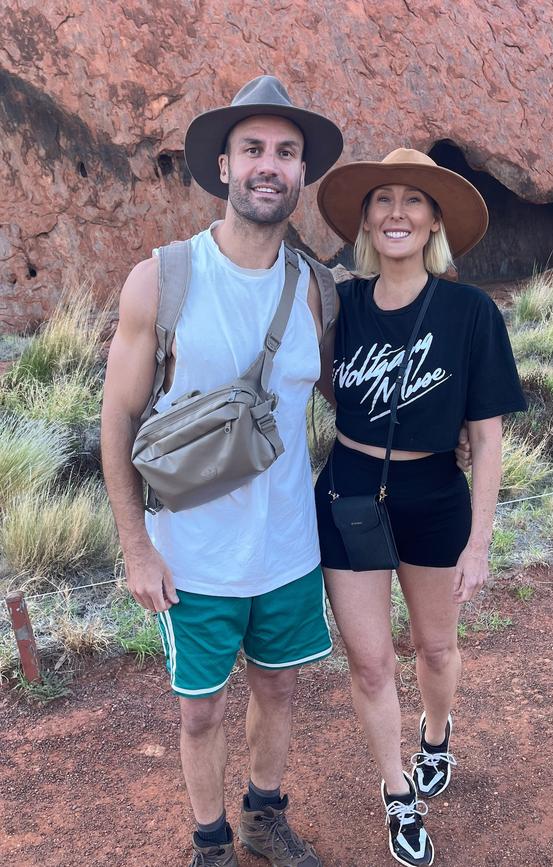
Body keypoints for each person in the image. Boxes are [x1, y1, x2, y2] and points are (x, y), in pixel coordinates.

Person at [101, 75, 344, 867]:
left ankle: (263, 817)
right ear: (225, 166)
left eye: (285, 152)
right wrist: (136, 546)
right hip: (190, 552)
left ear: (301, 173)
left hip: (286, 548)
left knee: (278, 688)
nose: (269, 165)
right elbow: (118, 417)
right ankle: (210, 841)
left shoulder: (315, 290)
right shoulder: (164, 278)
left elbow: (347, 396)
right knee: (199, 711)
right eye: (253, 150)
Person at [314, 148, 527, 866]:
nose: (397, 212)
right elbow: (318, 383)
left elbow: (488, 440)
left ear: (434, 219)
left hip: (435, 496)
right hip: (348, 493)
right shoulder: (340, 304)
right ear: (366, 222)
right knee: (371, 662)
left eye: (413, 200)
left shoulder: (471, 312)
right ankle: (397, 789)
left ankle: (437, 732)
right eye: (383, 200)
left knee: (434, 647)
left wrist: (480, 541)